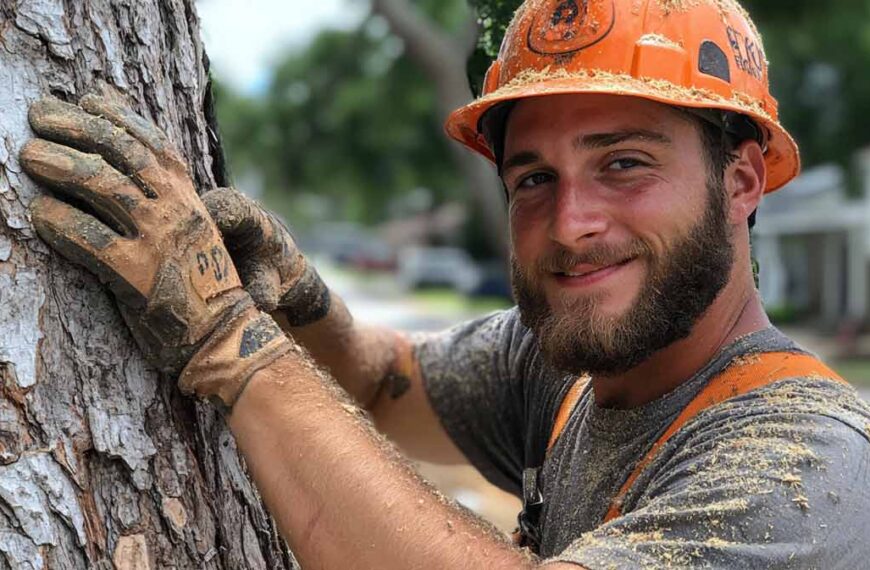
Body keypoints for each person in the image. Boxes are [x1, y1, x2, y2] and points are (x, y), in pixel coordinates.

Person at [22, 0, 870, 567]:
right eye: (534, 178)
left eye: (624, 163)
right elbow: (381, 382)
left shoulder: (808, 476)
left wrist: (224, 340)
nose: (572, 224)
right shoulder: (568, 365)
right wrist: (296, 298)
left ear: (744, 179)